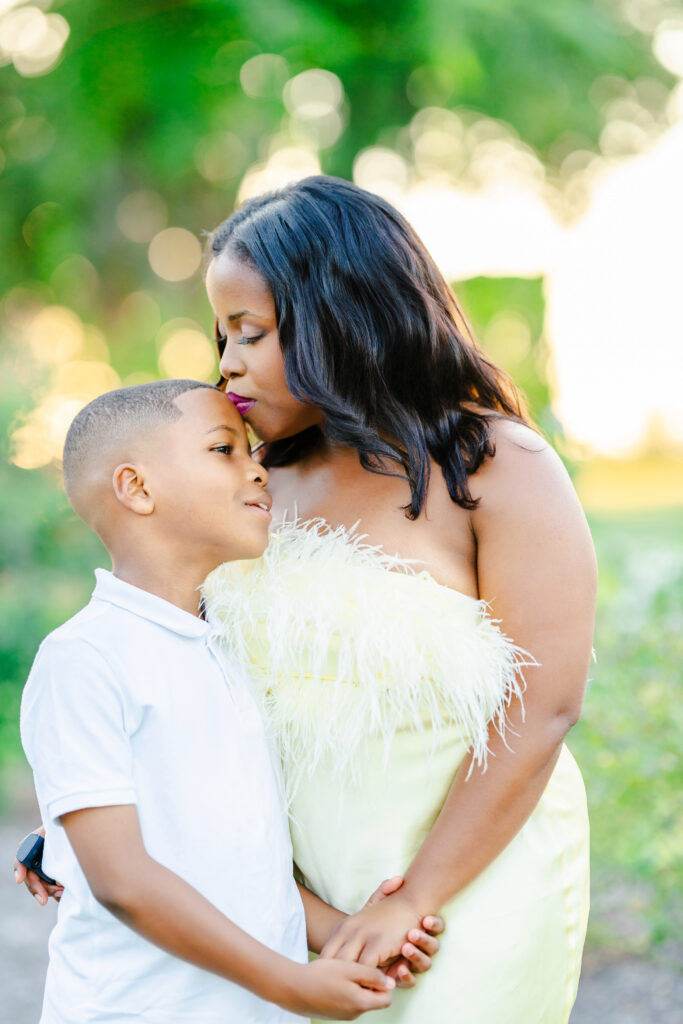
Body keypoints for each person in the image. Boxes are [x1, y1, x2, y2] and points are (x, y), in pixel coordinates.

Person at [198, 176, 596, 1023]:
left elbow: (543, 708)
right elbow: (170, 664)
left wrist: (412, 898)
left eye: (252, 332)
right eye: (222, 333)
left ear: (344, 316)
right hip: (292, 893)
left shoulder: (494, 466)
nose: (227, 361)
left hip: (471, 885)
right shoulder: (252, 479)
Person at [18, 378, 440, 1024]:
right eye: (224, 450)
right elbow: (122, 881)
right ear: (136, 488)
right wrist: (289, 984)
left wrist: (356, 937)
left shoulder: (228, 647)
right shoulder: (85, 657)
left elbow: (243, 867)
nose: (258, 471)